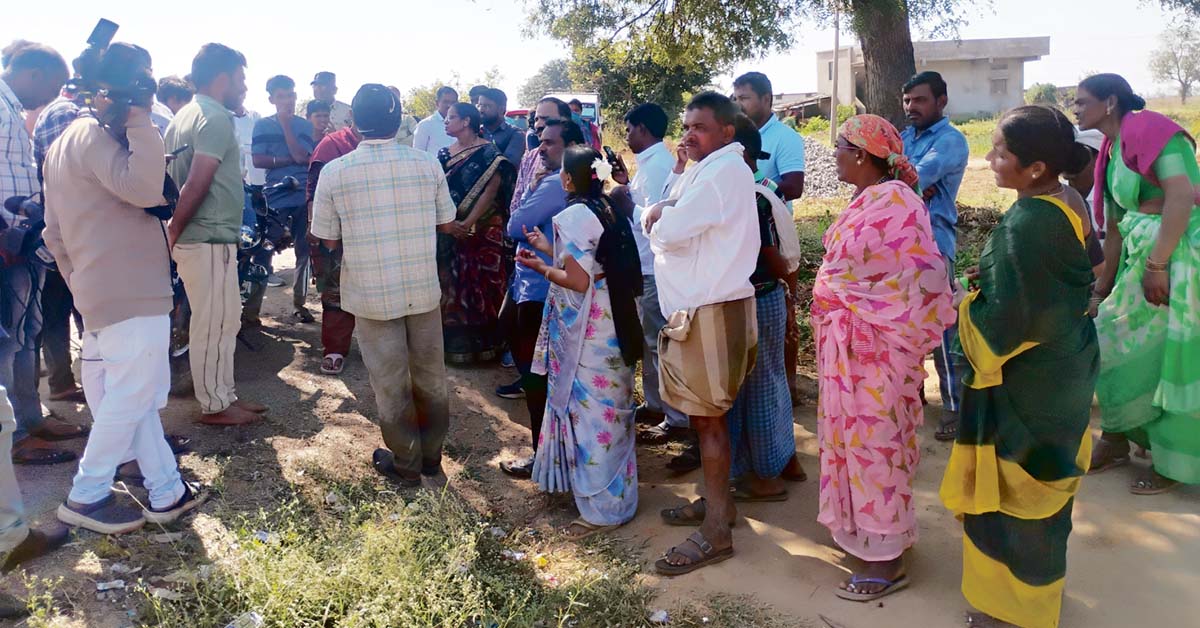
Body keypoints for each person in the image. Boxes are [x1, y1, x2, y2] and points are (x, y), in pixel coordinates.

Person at [938, 105, 1098, 628]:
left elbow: (1000, 330)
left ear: (1035, 168)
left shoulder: (1026, 225)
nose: (990, 159)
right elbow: (1069, 280)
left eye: (1001, 152)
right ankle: (1038, 596)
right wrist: (991, 283)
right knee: (1046, 501)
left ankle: (1014, 612)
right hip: (1064, 370)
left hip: (1025, 387)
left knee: (1014, 502)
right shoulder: (1065, 202)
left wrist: (966, 303)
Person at [42, 43, 208, 535]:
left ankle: (167, 490)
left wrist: (80, 283)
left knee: (133, 400)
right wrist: (139, 119)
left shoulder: (64, 142)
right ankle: (86, 495)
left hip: (101, 291)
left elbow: (53, 232)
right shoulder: (97, 136)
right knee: (132, 395)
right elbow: (145, 189)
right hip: (131, 291)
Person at [811, 114, 954, 602]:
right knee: (854, 442)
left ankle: (887, 559)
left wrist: (871, 311)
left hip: (877, 351)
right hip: (849, 350)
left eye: (840, 145)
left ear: (861, 154)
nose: (833, 153)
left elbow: (923, 274)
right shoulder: (869, 199)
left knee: (877, 444)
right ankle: (870, 537)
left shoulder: (897, 202)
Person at [310, 84, 456, 487]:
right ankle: (431, 459)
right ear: (398, 120)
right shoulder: (427, 164)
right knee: (431, 378)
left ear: (354, 122)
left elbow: (327, 238)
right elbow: (447, 223)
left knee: (390, 385)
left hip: (370, 294)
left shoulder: (335, 172)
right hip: (422, 290)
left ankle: (406, 463)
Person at [643, 92, 758, 577]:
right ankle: (719, 506)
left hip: (709, 311)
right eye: (686, 126)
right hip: (701, 310)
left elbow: (668, 231)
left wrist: (657, 219)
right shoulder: (709, 169)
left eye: (701, 127)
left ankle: (716, 532)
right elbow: (672, 212)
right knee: (706, 419)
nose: (689, 135)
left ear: (726, 132)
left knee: (709, 422)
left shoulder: (722, 173)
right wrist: (663, 210)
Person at [1077, 73, 1200, 495]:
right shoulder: (1111, 149)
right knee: (1109, 339)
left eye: (1082, 101)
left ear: (1110, 102)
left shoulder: (1155, 132)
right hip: (1141, 258)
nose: (1076, 109)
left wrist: (1158, 264)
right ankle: (1116, 437)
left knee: (1167, 360)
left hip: (1178, 260)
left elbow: (1181, 196)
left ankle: (1173, 461)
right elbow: (1114, 227)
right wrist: (1102, 289)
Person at [520, 145, 643, 539]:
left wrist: (542, 267)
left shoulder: (573, 215)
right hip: (615, 317)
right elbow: (593, 260)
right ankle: (620, 498)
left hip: (590, 328)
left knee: (592, 418)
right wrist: (548, 248)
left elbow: (576, 280)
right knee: (613, 412)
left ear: (569, 179)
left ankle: (601, 511)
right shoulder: (609, 206)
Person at [164, 43, 266, 426]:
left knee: (226, 320)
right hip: (205, 239)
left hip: (210, 239)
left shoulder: (184, 115)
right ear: (223, 78)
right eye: (240, 79)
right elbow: (197, 181)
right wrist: (174, 229)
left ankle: (224, 395)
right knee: (211, 323)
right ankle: (215, 405)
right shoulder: (214, 116)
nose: (244, 87)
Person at [0, 41, 84, 466]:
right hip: (5, 244)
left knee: (24, 335)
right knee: (6, 343)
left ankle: (30, 421)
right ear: (33, 73)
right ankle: (13, 437)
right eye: (53, 85)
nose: (54, 96)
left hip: (23, 245)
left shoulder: (11, 109)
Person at [498, 117, 585, 477]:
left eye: (549, 142)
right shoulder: (567, 185)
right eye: (540, 139)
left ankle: (545, 455)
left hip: (540, 288)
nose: (541, 147)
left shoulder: (553, 185)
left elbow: (514, 225)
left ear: (571, 147)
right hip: (532, 283)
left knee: (538, 376)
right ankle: (550, 451)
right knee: (534, 369)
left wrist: (528, 196)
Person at [609, 103, 688, 442]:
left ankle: (676, 418)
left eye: (629, 130)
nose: (626, 136)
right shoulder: (649, 164)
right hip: (644, 265)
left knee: (659, 345)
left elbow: (660, 218)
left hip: (654, 266)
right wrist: (626, 185)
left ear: (643, 128)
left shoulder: (657, 166)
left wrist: (626, 204)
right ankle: (656, 405)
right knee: (649, 342)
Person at [899, 71, 970, 441]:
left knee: (942, 330)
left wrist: (904, 182)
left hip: (933, 245)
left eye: (920, 100)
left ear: (942, 101)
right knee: (903, 325)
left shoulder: (951, 140)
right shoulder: (905, 137)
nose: (911, 107)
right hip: (897, 244)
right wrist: (903, 183)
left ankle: (955, 407)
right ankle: (911, 396)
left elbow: (910, 177)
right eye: (907, 100)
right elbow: (889, 178)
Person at [732, 71, 807, 408]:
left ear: (767, 99)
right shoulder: (735, 133)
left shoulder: (784, 138)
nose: (739, 104)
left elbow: (794, 186)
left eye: (745, 97)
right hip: (742, 238)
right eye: (735, 98)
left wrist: (757, 182)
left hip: (774, 237)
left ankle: (788, 386)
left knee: (783, 312)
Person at [436, 103, 516, 363]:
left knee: (484, 283)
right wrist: (450, 223)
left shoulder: (489, 153)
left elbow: (491, 189)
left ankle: (489, 345)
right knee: (452, 284)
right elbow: (438, 191)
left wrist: (468, 222)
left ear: (466, 121)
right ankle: (454, 346)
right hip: (449, 228)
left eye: (451, 117)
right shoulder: (444, 154)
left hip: (483, 228)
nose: (446, 121)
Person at [32, 85, 87, 406]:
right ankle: (72, 381)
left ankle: (62, 381)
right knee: (78, 309)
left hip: (56, 230)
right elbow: (68, 179)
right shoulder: (66, 114)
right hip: (66, 234)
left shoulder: (56, 111)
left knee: (57, 312)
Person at [248, 74, 316, 325]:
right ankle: (252, 311)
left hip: (302, 196)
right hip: (275, 196)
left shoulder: (305, 126)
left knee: (304, 251)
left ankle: (300, 304)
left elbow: (302, 157)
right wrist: (288, 159)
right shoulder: (262, 126)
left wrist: (286, 127)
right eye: (281, 96)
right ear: (271, 99)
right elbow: (258, 160)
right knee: (264, 250)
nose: (287, 100)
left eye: (290, 95)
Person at [306, 120, 361, 376]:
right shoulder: (333, 144)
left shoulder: (390, 145)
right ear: (353, 116)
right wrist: (313, 223)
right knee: (336, 289)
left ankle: (379, 350)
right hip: (338, 231)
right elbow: (314, 189)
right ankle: (335, 348)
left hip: (377, 230)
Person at [479, 88, 525, 165]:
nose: (481, 110)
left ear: (501, 109)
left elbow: (508, 166)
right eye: (480, 105)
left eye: (487, 106)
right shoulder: (476, 132)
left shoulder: (515, 134)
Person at [414, 85, 457, 154]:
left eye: (453, 102)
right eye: (445, 102)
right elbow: (418, 153)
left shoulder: (462, 124)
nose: (449, 105)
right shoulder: (425, 124)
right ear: (437, 103)